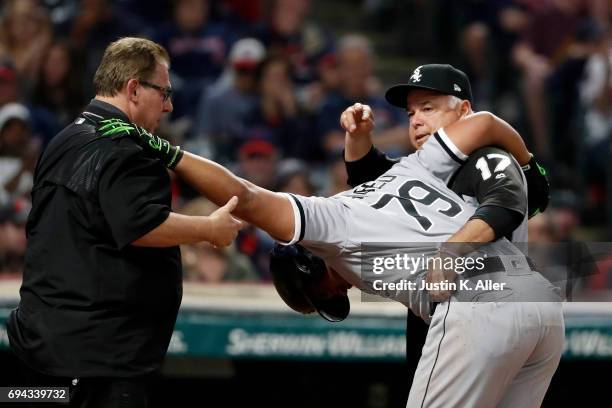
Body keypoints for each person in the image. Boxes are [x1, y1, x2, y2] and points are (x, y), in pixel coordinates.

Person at [132, 67, 563, 405]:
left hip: (478, 304)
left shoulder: (329, 223)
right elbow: (483, 123)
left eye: (323, 288)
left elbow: (244, 196)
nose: (340, 290)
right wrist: (357, 137)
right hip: (539, 302)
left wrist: (165, 150)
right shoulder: (413, 166)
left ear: (311, 260)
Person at [6, 37, 243, 407]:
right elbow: (141, 225)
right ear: (133, 88)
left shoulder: (64, 139)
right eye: (163, 93)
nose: (169, 105)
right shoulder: (127, 151)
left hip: (41, 348)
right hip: (97, 362)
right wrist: (208, 229)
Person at [341, 63, 545, 392]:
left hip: (485, 310)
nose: (417, 120)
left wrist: (452, 250)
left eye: (428, 108)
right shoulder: (424, 172)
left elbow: (506, 205)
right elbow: (371, 180)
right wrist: (358, 135)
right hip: (443, 316)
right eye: (410, 113)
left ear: (464, 110)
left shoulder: (486, 157)